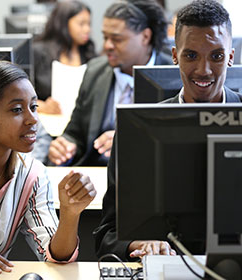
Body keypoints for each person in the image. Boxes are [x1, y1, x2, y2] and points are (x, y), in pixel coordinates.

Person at [93, 0, 241, 262]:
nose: (203, 70)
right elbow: (107, 234)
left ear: (231, 57)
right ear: (175, 55)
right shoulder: (137, 129)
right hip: (166, 267)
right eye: (191, 55)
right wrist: (138, 243)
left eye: (216, 56)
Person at [0, 60, 96, 274]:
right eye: (16, 109)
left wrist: (70, 213)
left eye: (33, 107)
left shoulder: (32, 175)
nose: (33, 119)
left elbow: (55, 255)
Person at [33, 0, 173, 166]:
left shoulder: (172, 76)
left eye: (117, 39)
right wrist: (65, 146)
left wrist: (132, 141)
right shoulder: (95, 71)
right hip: (95, 174)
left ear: (145, 37)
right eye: (105, 37)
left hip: (147, 172)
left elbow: (177, 144)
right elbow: (75, 133)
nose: (107, 46)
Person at [33, 0, 96, 114]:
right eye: (81, 24)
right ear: (64, 23)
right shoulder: (38, 52)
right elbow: (22, 95)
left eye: (89, 24)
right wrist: (42, 106)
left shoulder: (90, 55)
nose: (87, 29)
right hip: (49, 120)